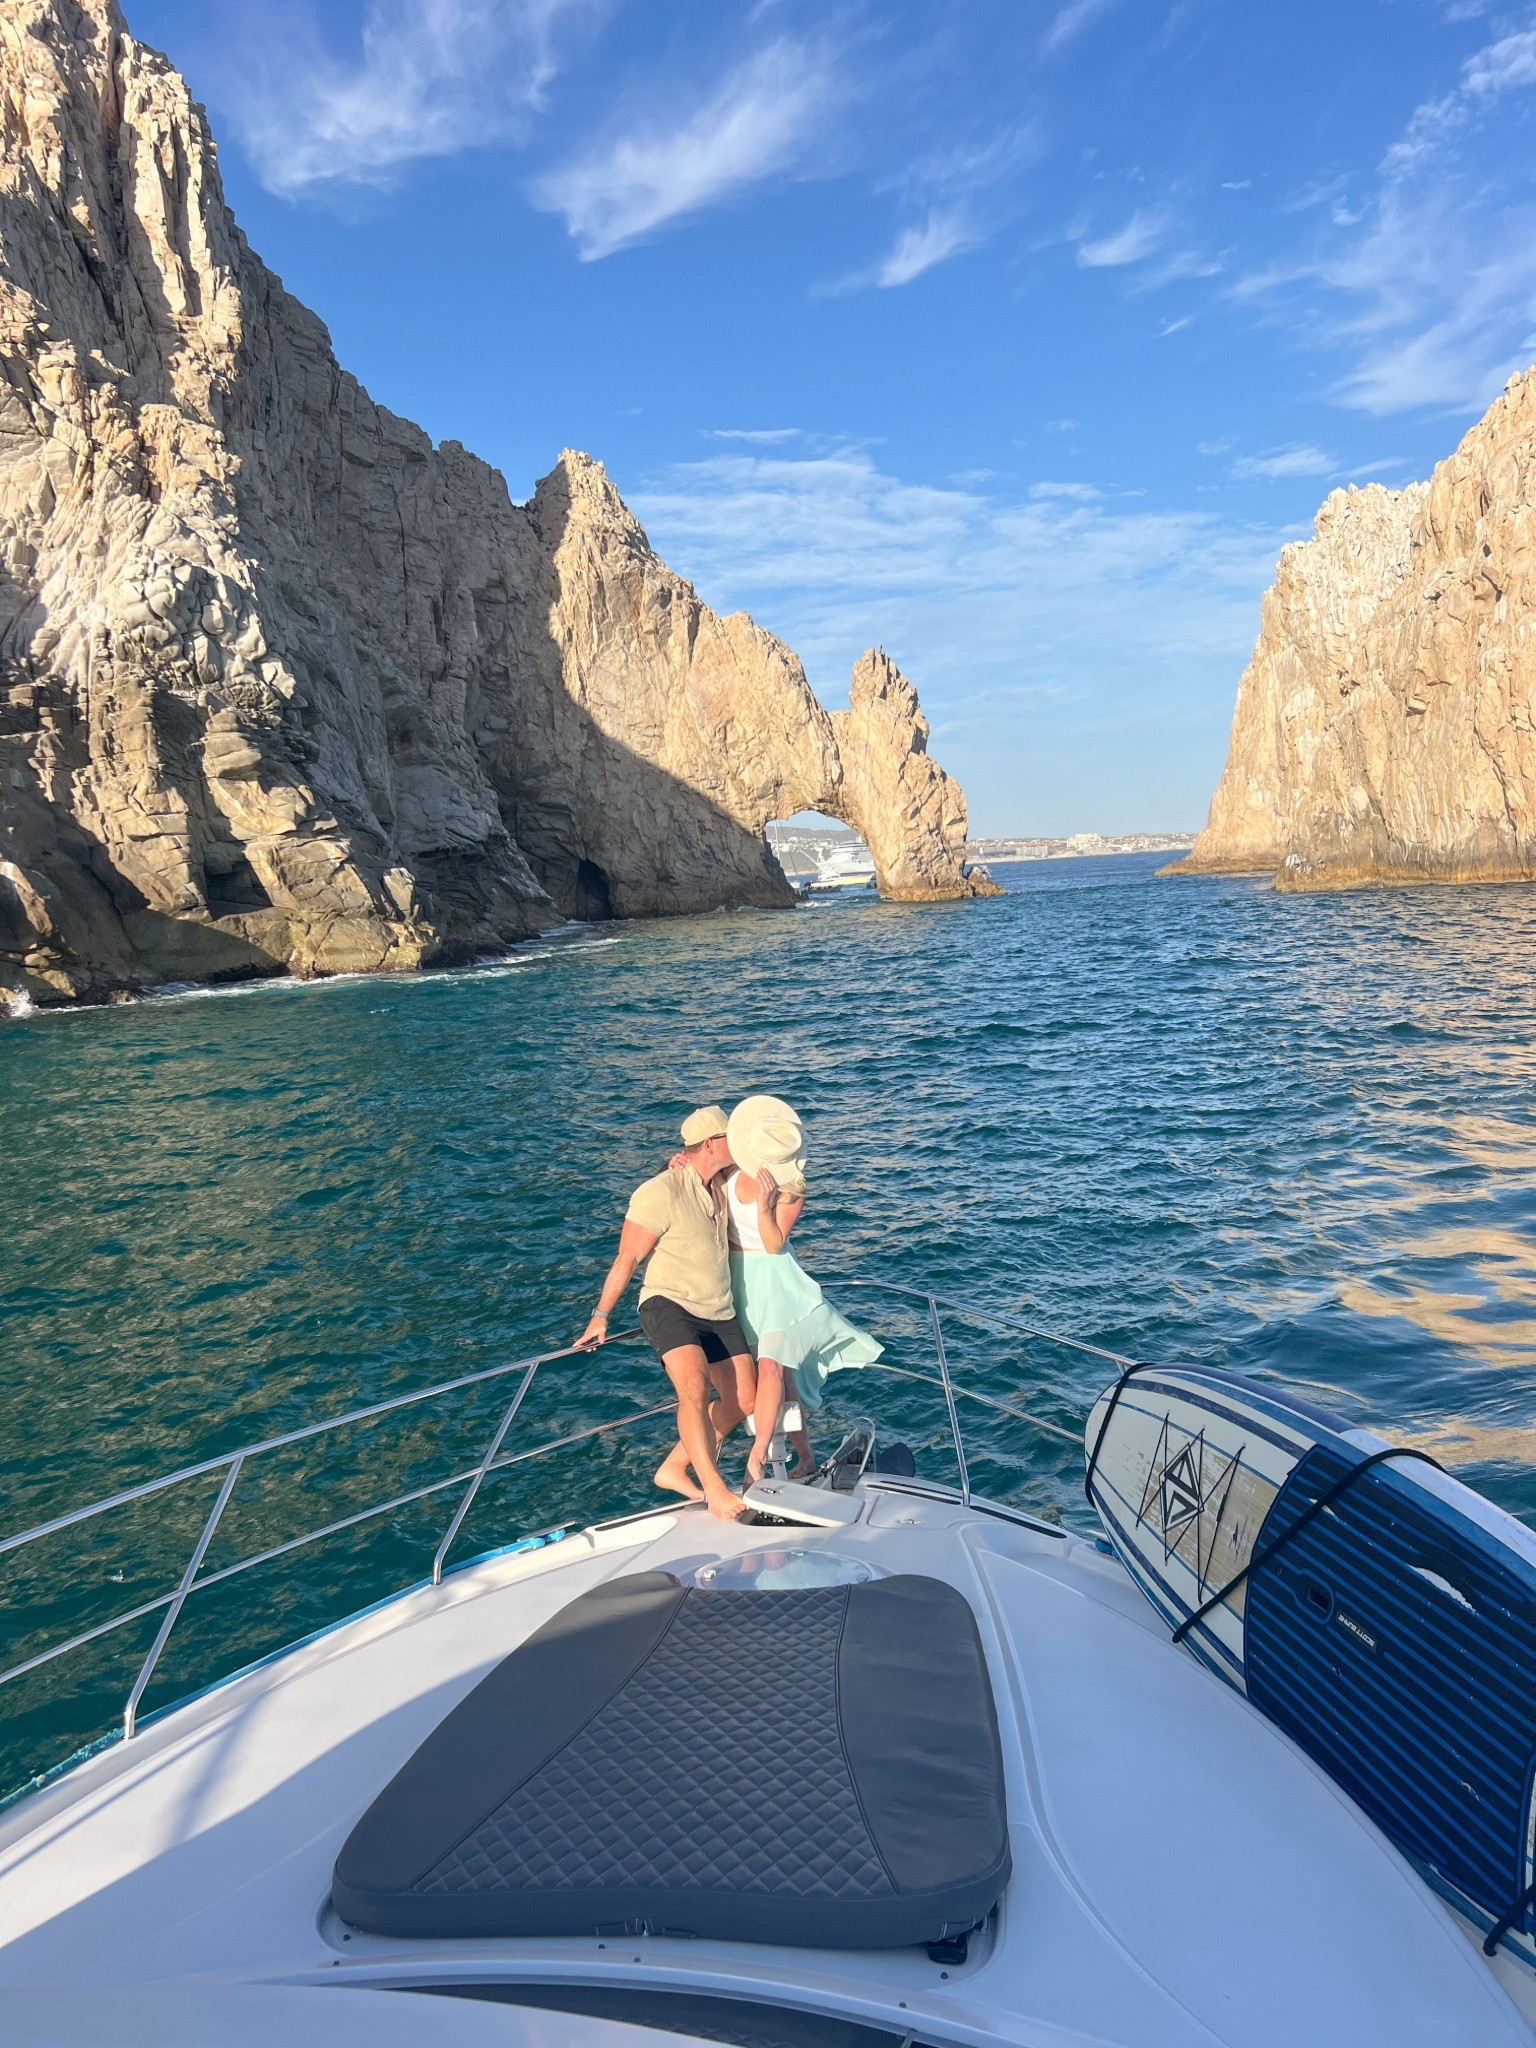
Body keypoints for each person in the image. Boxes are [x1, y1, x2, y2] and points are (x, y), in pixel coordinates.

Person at [576, 1106, 753, 1520]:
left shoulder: (722, 1183)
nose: (737, 1142)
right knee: (692, 1388)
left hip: (718, 1307)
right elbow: (628, 1256)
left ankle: (674, 1466)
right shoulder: (659, 1190)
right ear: (710, 1143)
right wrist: (601, 1314)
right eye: (730, 1136)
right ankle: (714, 1488)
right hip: (668, 1303)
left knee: (744, 1399)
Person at [721, 1095, 884, 1485]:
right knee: (785, 1375)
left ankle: (756, 1459)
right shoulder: (728, 1171)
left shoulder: (792, 1188)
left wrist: (764, 1207)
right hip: (738, 1278)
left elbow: (775, 1243)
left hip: (776, 1282)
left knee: (771, 1366)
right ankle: (806, 1457)